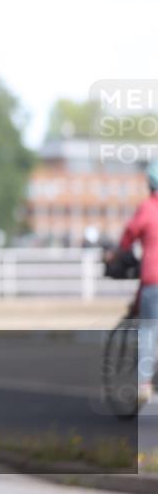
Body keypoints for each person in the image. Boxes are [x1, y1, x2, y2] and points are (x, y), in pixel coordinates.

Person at [116, 159, 158, 405]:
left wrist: (118, 252)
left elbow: (129, 235)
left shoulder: (148, 208)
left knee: (149, 331)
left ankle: (144, 383)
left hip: (153, 281)